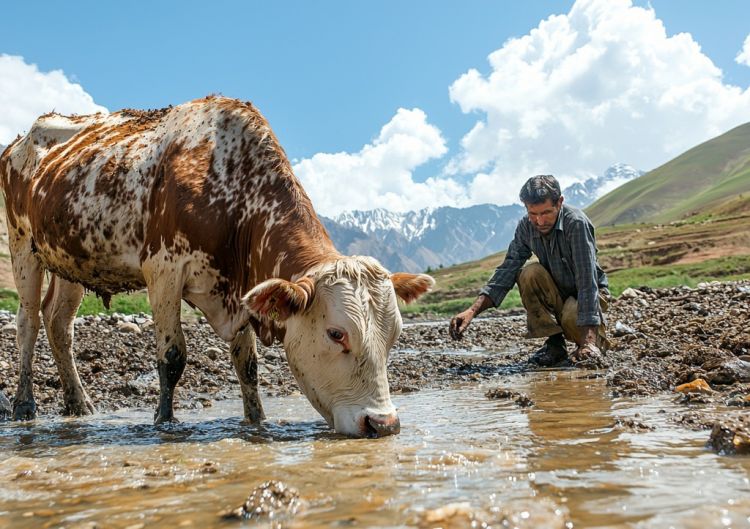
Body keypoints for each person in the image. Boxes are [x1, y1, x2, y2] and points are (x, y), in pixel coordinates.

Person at [449, 174, 610, 366]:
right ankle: (555, 345)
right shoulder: (526, 227)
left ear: (559, 202)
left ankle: (593, 342)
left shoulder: (575, 223)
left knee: (572, 317)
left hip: (586, 298)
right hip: (558, 293)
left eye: (546, 213)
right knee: (529, 273)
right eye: (533, 214)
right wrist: (472, 311)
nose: (540, 222)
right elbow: (507, 270)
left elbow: (587, 282)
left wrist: (588, 343)